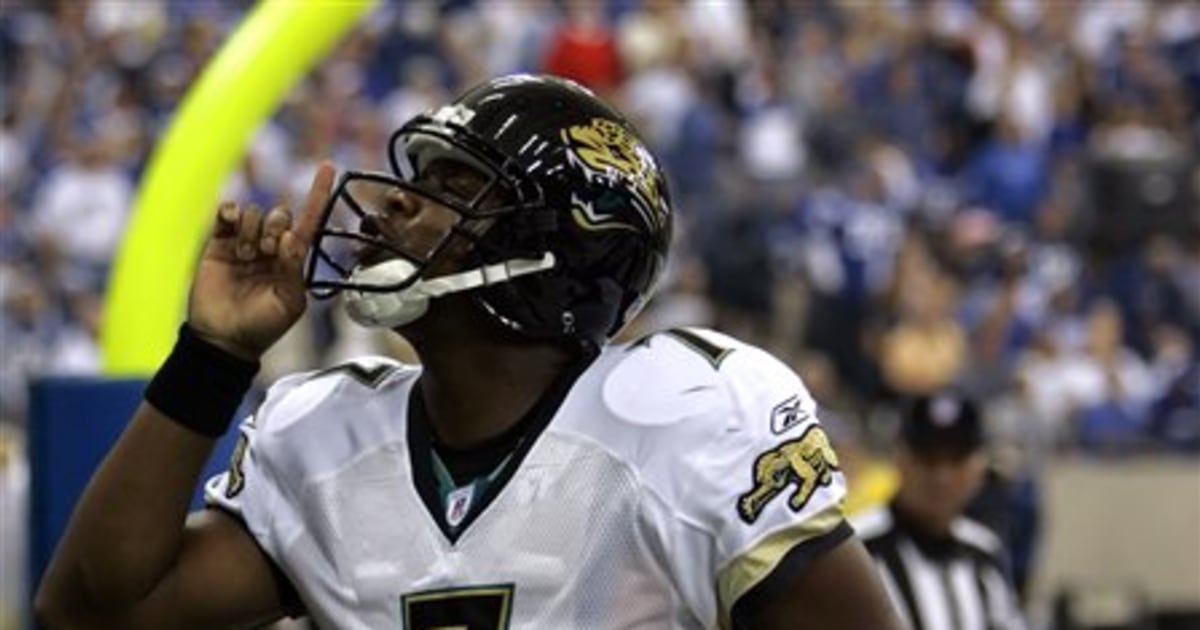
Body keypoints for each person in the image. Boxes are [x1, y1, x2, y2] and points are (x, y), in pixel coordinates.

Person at [36, 74, 903, 630]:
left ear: (562, 251)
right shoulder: (323, 433)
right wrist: (213, 357)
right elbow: (91, 610)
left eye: (450, 188)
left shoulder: (688, 417)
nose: (389, 211)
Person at [852, 390, 1026, 630]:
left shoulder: (984, 553)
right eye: (928, 459)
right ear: (899, 459)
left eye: (956, 460)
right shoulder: (858, 549)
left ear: (979, 467)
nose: (941, 477)